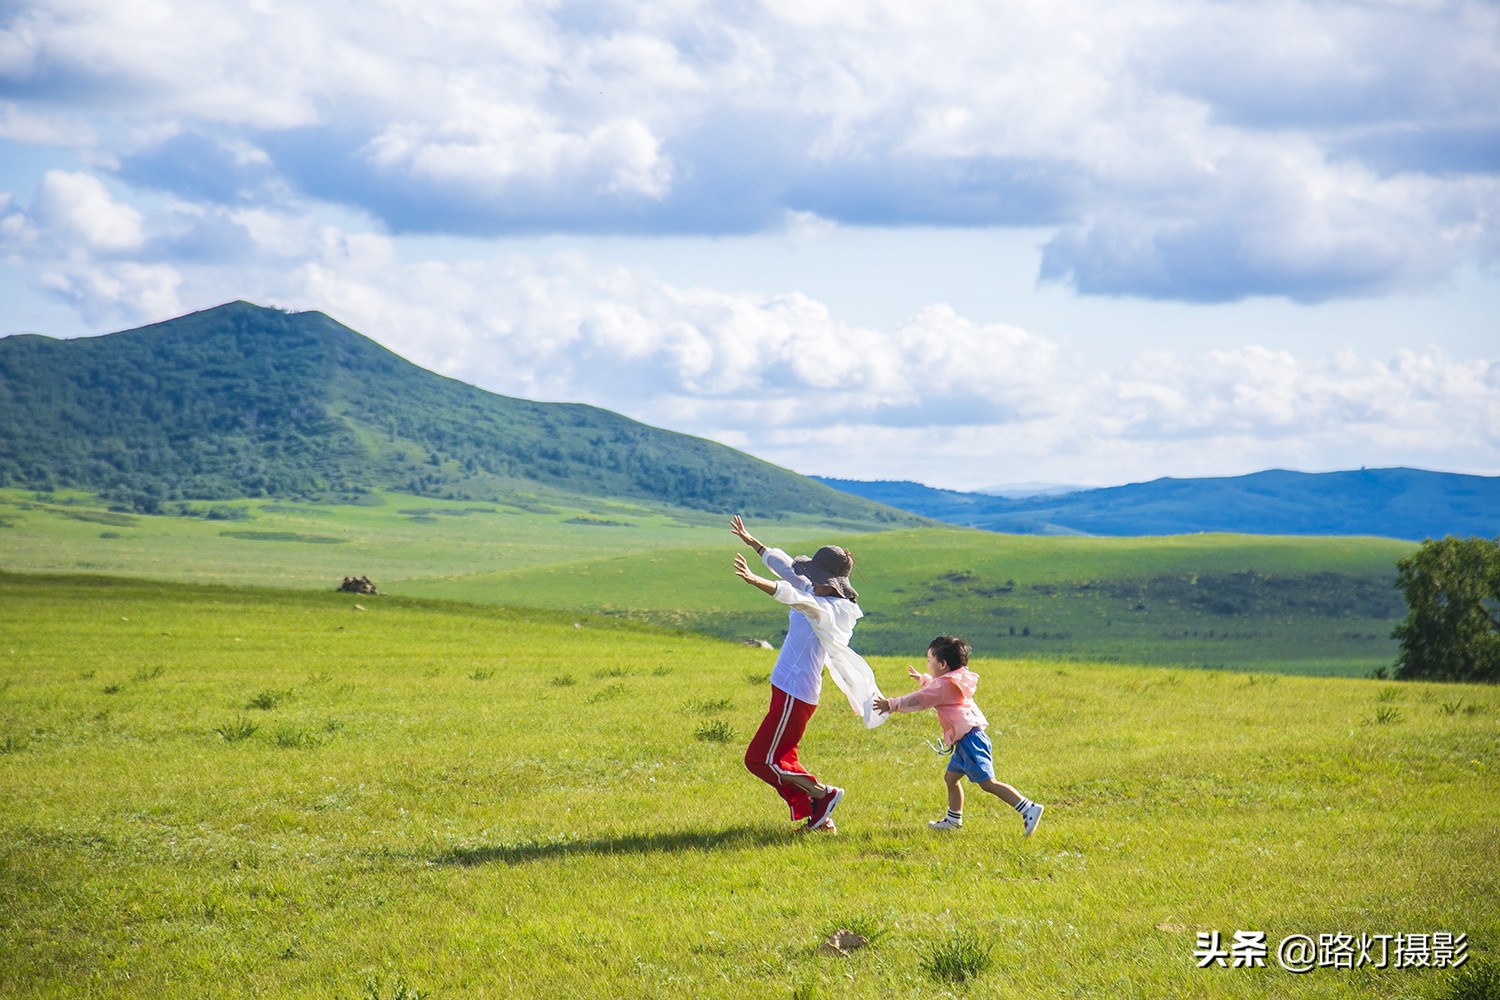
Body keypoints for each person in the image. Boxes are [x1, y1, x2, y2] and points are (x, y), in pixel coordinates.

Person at [730, 515, 882, 833]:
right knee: (784, 760)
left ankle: (823, 794)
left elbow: (798, 599)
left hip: (797, 692)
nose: (809, 578)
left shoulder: (832, 612)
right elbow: (786, 567)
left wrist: (755, 581)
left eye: (815, 575)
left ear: (833, 583)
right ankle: (820, 818)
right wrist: (752, 541)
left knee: (759, 760)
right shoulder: (813, 587)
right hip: (785, 689)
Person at [874, 635, 1043, 836]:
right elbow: (936, 688)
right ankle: (953, 821)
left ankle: (1028, 808)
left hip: (970, 741)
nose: (927, 664)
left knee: (988, 783)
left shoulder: (943, 686)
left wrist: (891, 705)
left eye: (929, 661)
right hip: (968, 738)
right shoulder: (953, 680)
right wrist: (924, 678)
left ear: (943, 664)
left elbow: (920, 699)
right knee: (951, 778)